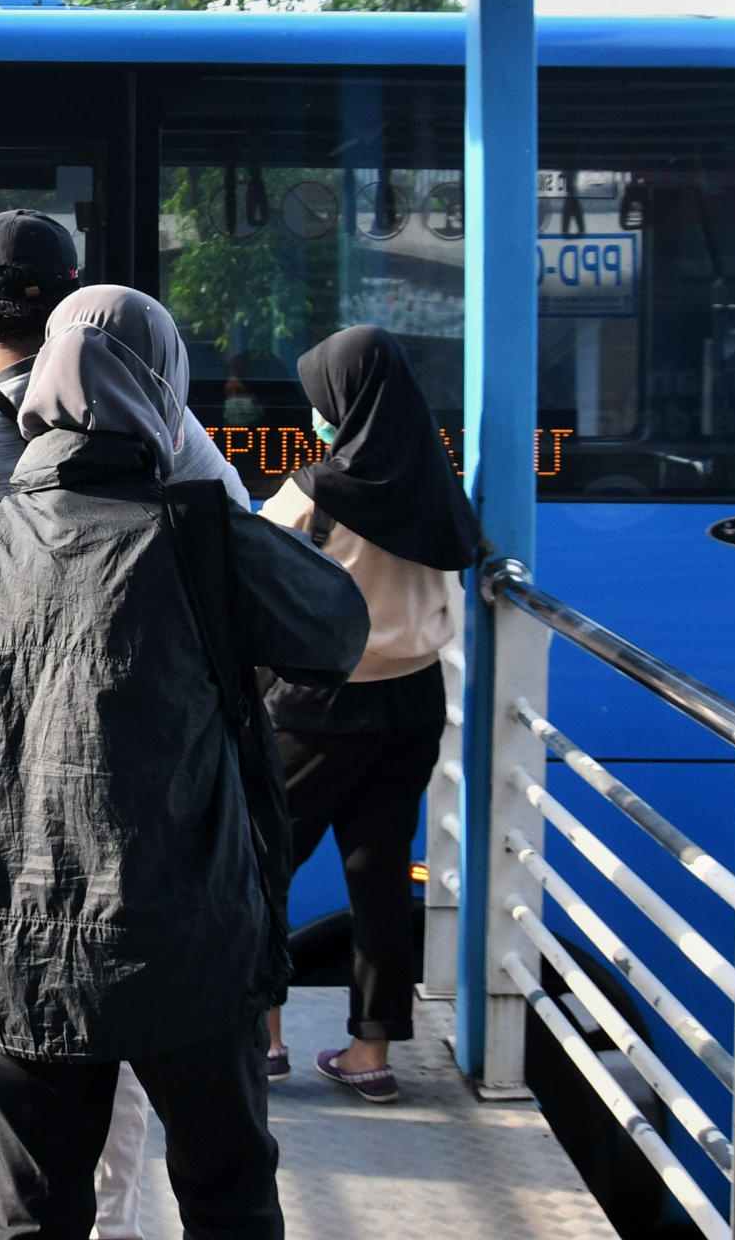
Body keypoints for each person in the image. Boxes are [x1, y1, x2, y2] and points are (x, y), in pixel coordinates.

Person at [0, 286, 369, 1240]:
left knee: (31, 1209)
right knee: (228, 1198)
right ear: (165, 401)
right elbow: (338, 627)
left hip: (20, 953)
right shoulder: (205, 533)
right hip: (191, 949)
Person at [259, 326, 477, 1104]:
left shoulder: (316, 486)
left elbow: (253, 562)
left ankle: (266, 1039)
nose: (316, 414)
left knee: (263, 866)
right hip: (414, 701)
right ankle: (370, 1051)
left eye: (321, 400)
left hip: (316, 705)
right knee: (379, 871)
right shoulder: (436, 479)